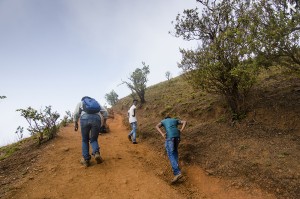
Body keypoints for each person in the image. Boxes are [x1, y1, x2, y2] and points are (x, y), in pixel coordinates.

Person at [73, 96, 104, 167]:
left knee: (85, 140)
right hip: (97, 119)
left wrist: (75, 123)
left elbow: (75, 114)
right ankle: (96, 153)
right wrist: (104, 122)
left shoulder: (81, 102)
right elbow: (105, 112)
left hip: (84, 119)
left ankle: (86, 160)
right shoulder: (96, 103)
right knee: (94, 139)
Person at [155, 116, 187, 184]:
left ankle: (177, 172)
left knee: (170, 153)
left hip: (170, 137)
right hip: (177, 137)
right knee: (175, 152)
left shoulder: (163, 121)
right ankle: (177, 169)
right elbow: (184, 122)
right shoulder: (175, 120)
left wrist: (162, 134)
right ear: (170, 118)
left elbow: (157, 126)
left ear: (165, 118)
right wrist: (181, 130)